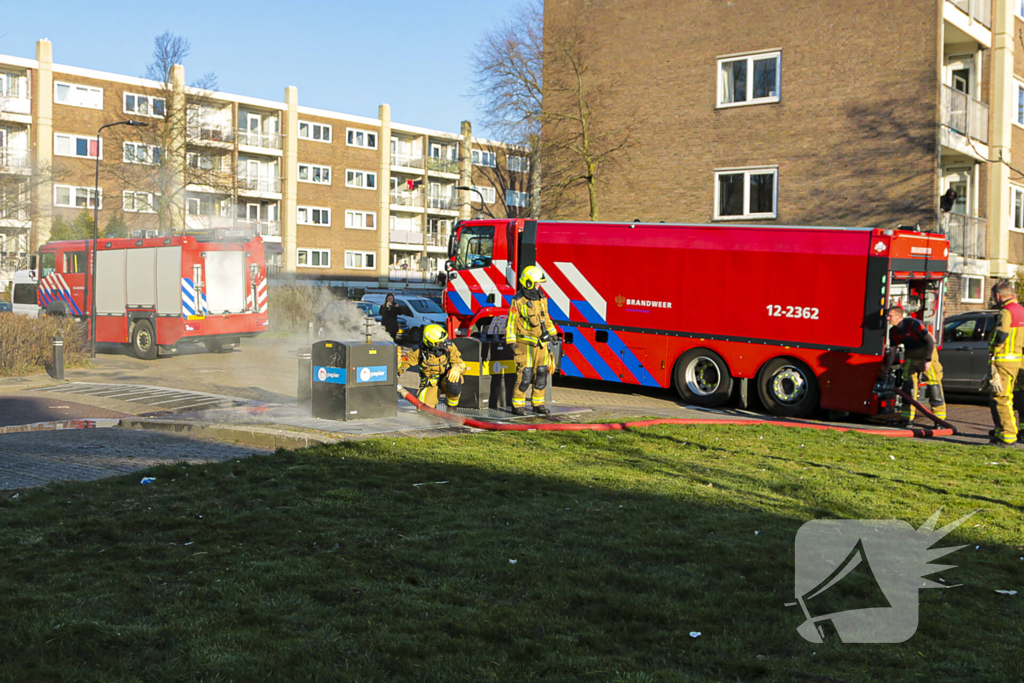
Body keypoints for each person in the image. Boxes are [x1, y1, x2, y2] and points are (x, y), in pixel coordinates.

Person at [878, 305, 946, 424]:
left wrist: (928, 360)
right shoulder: (893, 331)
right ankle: (907, 418)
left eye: (890, 316)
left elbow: (931, 340)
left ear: (899, 316)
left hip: (927, 354)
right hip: (911, 356)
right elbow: (892, 353)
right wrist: (887, 369)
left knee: (933, 386)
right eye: (887, 316)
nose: (887, 318)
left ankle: (939, 419)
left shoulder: (913, 324)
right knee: (908, 387)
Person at [505, 265, 558, 416]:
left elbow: (545, 318)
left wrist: (553, 332)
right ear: (528, 283)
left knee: (541, 374)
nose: (538, 286)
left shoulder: (541, 298)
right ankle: (518, 405)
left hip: (541, 344)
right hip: (524, 345)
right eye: (536, 284)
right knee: (525, 375)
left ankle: (538, 404)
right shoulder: (518, 300)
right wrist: (511, 341)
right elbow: (511, 322)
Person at [987, 280, 1024, 446]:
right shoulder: (1021, 310)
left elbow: (1001, 334)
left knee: (1001, 397)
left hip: (1004, 361)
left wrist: (993, 348)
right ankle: (1005, 430)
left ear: (997, 296)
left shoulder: (1006, 312)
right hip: (1019, 361)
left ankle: (1007, 436)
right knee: (1016, 397)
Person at [397, 323, 465, 409]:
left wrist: (457, 368)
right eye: (439, 342)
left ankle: (451, 409)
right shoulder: (418, 351)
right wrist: (395, 363)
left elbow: (461, 364)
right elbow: (403, 364)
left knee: (454, 380)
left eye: (444, 340)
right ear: (430, 343)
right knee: (424, 411)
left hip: (446, 380)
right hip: (430, 383)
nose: (443, 344)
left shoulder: (450, 347)